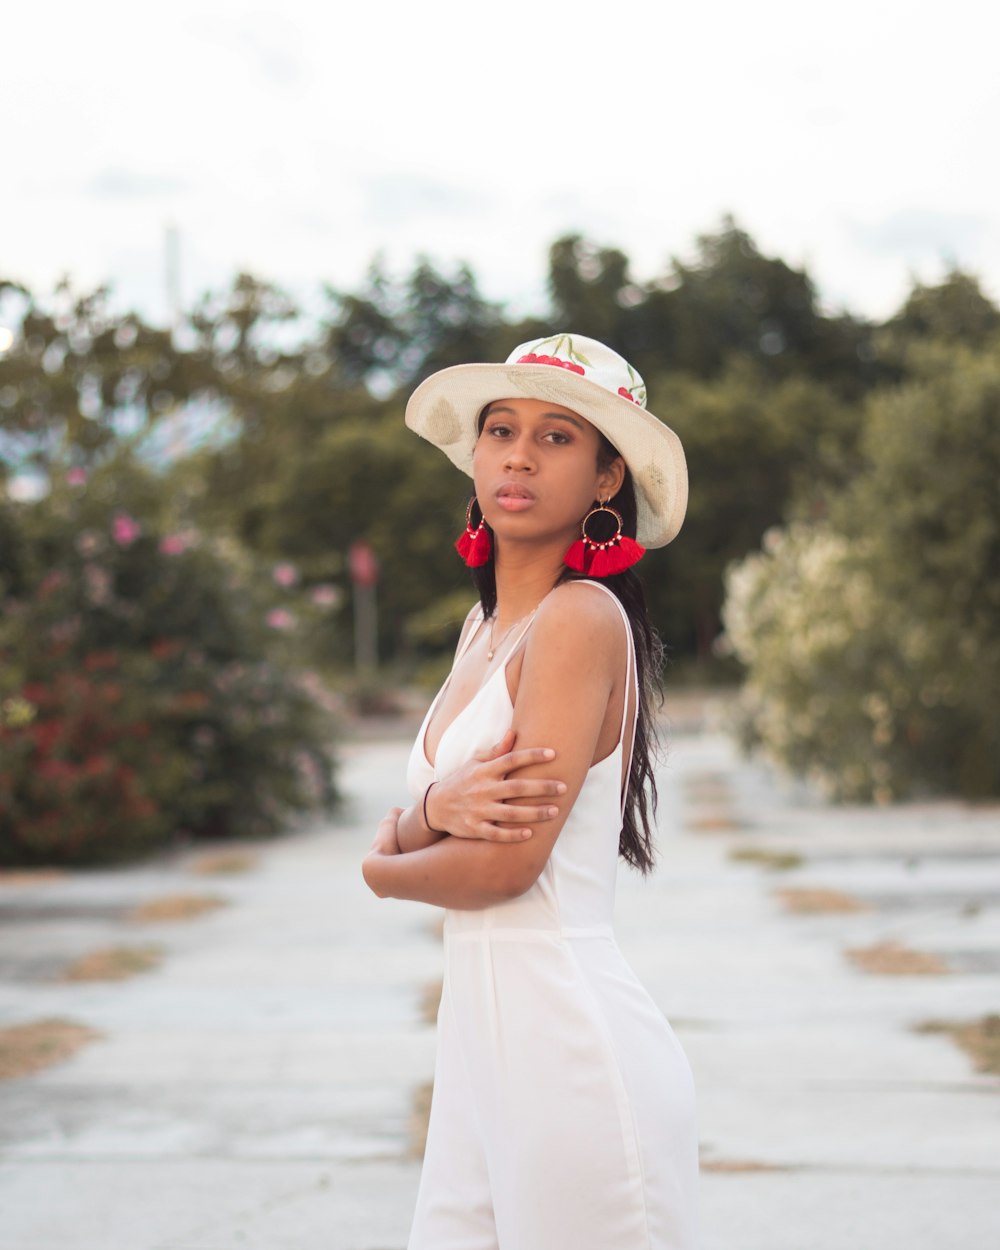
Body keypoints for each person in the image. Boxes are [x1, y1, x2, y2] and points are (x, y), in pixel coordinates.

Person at [361, 332, 699, 1249]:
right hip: (478, 1047)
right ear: (473, 460)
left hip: (570, 1052)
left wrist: (383, 865)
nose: (518, 453)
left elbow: (507, 867)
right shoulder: (485, 627)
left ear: (605, 480)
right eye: (500, 429)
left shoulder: (581, 619)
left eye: (558, 437)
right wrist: (428, 816)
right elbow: (451, 822)